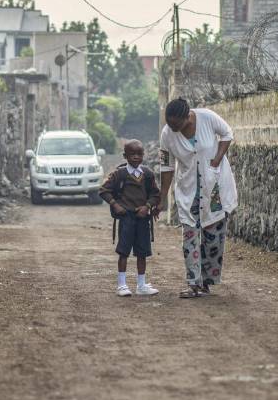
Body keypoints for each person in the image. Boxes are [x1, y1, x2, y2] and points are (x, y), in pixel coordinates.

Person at [158, 98, 238, 299]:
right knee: (189, 235)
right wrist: (162, 197)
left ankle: (207, 282)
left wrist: (217, 159)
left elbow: (227, 133)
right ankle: (193, 283)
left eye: (176, 124)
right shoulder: (167, 134)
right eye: (169, 123)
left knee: (214, 235)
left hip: (214, 187)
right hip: (189, 190)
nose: (172, 128)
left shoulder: (207, 117)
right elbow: (166, 166)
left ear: (188, 117)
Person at [99, 140, 161, 296]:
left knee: (142, 252)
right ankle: (122, 285)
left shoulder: (147, 174)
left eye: (139, 154)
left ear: (143, 155)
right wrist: (115, 204)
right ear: (125, 155)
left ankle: (141, 285)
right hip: (126, 218)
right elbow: (103, 190)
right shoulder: (119, 174)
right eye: (132, 154)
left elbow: (155, 194)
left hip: (143, 219)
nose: (136, 157)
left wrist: (147, 206)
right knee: (124, 252)